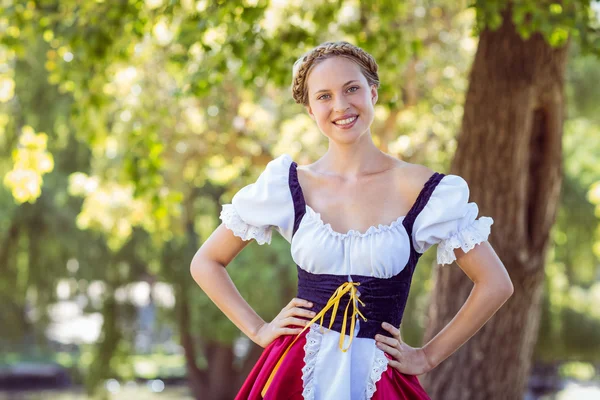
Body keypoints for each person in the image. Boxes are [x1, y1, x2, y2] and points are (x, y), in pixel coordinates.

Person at [190, 41, 513, 399]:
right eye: (324, 96)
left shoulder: (423, 190)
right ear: (311, 110)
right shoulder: (288, 187)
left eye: (352, 89)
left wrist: (427, 356)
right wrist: (258, 329)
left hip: (380, 379)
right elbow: (206, 261)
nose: (341, 106)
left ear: (373, 93)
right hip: (294, 375)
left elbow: (495, 283)